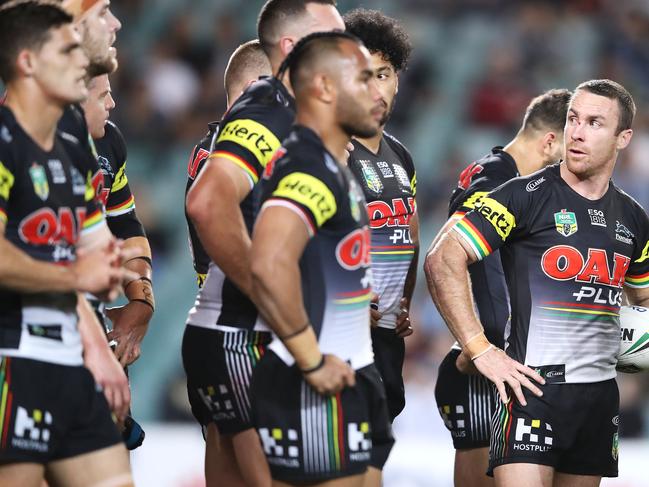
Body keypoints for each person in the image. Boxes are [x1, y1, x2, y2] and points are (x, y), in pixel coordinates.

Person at [425, 79, 649, 487]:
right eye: (573, 120)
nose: (578, 132)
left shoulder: (634, 219)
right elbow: (443, 258)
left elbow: (644, 297)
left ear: (623, 138)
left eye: (595, 123)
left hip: (599, 402)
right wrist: (479, 349)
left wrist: (636, 353)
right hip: (531, 393)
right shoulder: (521, 195)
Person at [185, 1, 344, 485]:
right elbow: (208, 203)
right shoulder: (271, 105)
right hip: (249, 338)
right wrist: (270, 289)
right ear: (293, 49)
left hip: (244, 335)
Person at [249, 31, 393, 487]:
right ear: (325, 88)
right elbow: (269, 263)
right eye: (365, 79)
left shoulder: (333, 165)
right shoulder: (306, 164)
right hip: (314, 381)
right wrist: (310, 359)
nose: (378, 93)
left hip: (353, 367)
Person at [0, 3, 134, 486]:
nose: (82, 62)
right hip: (12, 355)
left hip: (70, 357)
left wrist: (119, 272)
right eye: (67, 50)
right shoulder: (4, 142)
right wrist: (76, 274)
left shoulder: (74, 149)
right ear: (28, 62)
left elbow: (94, 246)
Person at [430, 88, 571, 487]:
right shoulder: (497, 180)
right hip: (487, 367)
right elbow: (477, 266)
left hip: (487, 358)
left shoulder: (492, 170)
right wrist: (488, 342)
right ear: (549, 142)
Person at [182, 40, 272, 487]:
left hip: (214, 322)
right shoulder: (245, 144)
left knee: (223, 448)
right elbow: (208, 209)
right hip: (245, 328)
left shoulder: (210, 145)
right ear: (258, 86)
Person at [344, 8, 417, 424]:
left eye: (384, 73)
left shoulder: (401, 155)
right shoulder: (324, 149)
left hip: (386, 340)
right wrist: (340, 299)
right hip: (336, 340)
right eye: (364, 75)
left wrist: (404, 300)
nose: (376, 89)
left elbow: (410, 235)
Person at [81, 73, 152, 450]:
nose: (112, 104)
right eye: (103, 95)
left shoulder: (109, 142)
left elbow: (125, 225)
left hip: (86, 323)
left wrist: (141, 300)